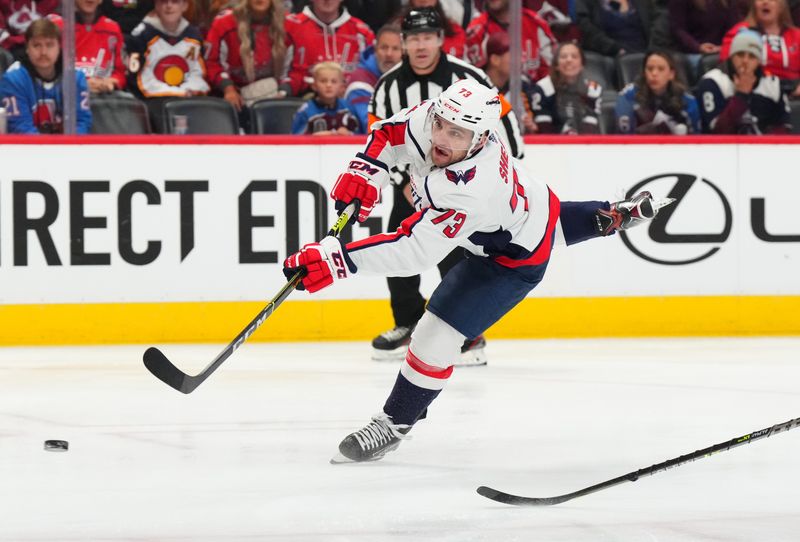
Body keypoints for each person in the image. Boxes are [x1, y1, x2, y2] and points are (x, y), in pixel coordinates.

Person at [281, 79, 672, 463]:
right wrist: (366, 169)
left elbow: (414, 250)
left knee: (434, 335)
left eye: (456, 133)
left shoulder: (469, 188)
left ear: (481, 138)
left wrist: (339, 259)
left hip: (510, 258)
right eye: (439, 125)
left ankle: (393, 425)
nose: (441, 139)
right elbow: (389, 133)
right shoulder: (443, 120)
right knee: (546, 221)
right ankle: (611, 216)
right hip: (530, 205)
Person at [367, 8, 525, 366]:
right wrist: (401, 182)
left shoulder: (468, 77)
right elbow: (379, 140)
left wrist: (508, 172)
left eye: (428, 37)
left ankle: (466, 332)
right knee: (399, 249)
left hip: (462, 187)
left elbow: (505, 121)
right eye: (414, 38)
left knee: (457, 254)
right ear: (404, 43)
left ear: (440, 39)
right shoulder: (388, 86)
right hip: (409, 186)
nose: (421, 45)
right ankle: (406, 322)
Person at [127, 0, 210, 132]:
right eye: (163, 1)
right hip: (153, 102)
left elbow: (198, 72)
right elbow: (136, 78)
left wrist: (191, 89)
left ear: (185, 6)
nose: (169, 6)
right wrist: (174, 92)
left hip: (187, 98)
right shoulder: (141, 35)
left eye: (175, 2)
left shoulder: (194, 35)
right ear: (156, 5)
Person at [0, 18, 92, 134]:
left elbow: (82, 122)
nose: (43, 52)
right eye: (37, 45)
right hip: (28, 151)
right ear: (27, 48)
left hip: (68, 150)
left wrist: (68, 148)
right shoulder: (13, 80)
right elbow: (20, 128)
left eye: (49, 45)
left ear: (59, 47)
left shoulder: (75, 78)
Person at [204, 0, 287, 123]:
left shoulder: (288, 23)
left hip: (274, 95)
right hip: (234, 96)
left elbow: (296, 68)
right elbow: (211, 62)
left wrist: (285, 90)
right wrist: (228, 88)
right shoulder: (224, 22)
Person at [695, 29, 792, 133]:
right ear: (732, 56)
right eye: (740, 55)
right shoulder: (712, 82)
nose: (745, 61)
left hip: (763, 147)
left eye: (752, 56)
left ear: (759, 61)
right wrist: (741, 96)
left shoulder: (772, 84)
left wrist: (765, 145)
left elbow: (784, 128)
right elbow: (717, 131)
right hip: (724, 148)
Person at [283, 0, 375, 97]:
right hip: (301, 98)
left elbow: (372, 75)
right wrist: (285, 88)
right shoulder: (290, 26)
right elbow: (280, 74)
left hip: (351, 100)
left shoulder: (362, 32)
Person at [721, 0, 800, 96]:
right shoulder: (739, 33)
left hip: (795, 94)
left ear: (781, 6)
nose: (765, 2)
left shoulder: (796, 35)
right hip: (754, 92)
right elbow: (729, 66)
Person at [466, 0, 557, 83]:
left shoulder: (536, 22)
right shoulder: (476, 29)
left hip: (535, 95)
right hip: (493, 94)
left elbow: (549, 70)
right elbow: (473, 76)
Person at [51, 0, 127, 95]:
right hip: (68, 96)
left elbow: (121, 73)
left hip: (106, 98)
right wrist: (81, 84)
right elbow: (49, 72)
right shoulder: (58, 27)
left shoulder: (113, 29)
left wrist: (111, 82)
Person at [615, 49, 700, 134]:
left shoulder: (686, 100)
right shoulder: (629, 95)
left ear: (671, 74)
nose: (654, 73)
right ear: (644, 72)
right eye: (650, 69)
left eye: (661, 69)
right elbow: (624, 136)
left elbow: (697, 139)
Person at [531, 41, 603, 134]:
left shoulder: (592, 89)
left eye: (574, 56)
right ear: (556, 65)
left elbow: (590, 129)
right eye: (563, 57)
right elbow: (544, 129)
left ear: (582, 64)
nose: (569, 60)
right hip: (551, 145)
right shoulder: (543, 88)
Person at [344, 24, 403, 130]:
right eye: (384, 48)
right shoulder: (360, 81)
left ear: (404, 52)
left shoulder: (410, 75)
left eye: (395, 48)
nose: (389, 54)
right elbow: (372, 127)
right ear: (375, 49)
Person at [483, 32, 538, 134]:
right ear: (495, 59)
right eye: (514, 56)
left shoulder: (522, 86)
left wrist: (529, 127)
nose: (521, 61)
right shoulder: (476, 87)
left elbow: (529, 129)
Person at [575, 0, 669, 57]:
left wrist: (653, 48)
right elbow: (585, 27)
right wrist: (615, 49)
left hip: (645, 53)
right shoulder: (588, 2)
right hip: (608, 56)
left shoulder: (643, 2)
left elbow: (658, 20)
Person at [292, 61, 362, 134]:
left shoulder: (348, 108)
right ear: (314, 86)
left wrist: (349, 134)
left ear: (342, 87)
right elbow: (294, 141)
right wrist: (313, 139)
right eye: (323, 81)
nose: (328, 85)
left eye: (334, 81)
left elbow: (361, 137)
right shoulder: (305, 111)